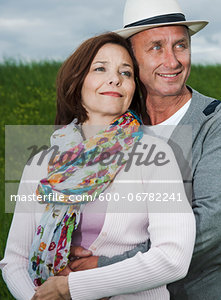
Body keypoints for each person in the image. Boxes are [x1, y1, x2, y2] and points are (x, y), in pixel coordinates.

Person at [66, 0, 221, 299]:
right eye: (155, 48)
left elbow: (207, 231)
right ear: (132, 57)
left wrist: (104, 266)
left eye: (180, 46)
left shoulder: (217, 121)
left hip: (186, 293)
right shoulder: (111, 117)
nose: (172, 61)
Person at [0, 32, 195, 299]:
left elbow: (174, 257)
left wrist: (74, 288)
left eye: (126, 73)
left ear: (132, 89)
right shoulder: (40, 163)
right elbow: (16, 260)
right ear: (77, 81)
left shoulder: (155, 155)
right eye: (100, 68)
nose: (115, 78)